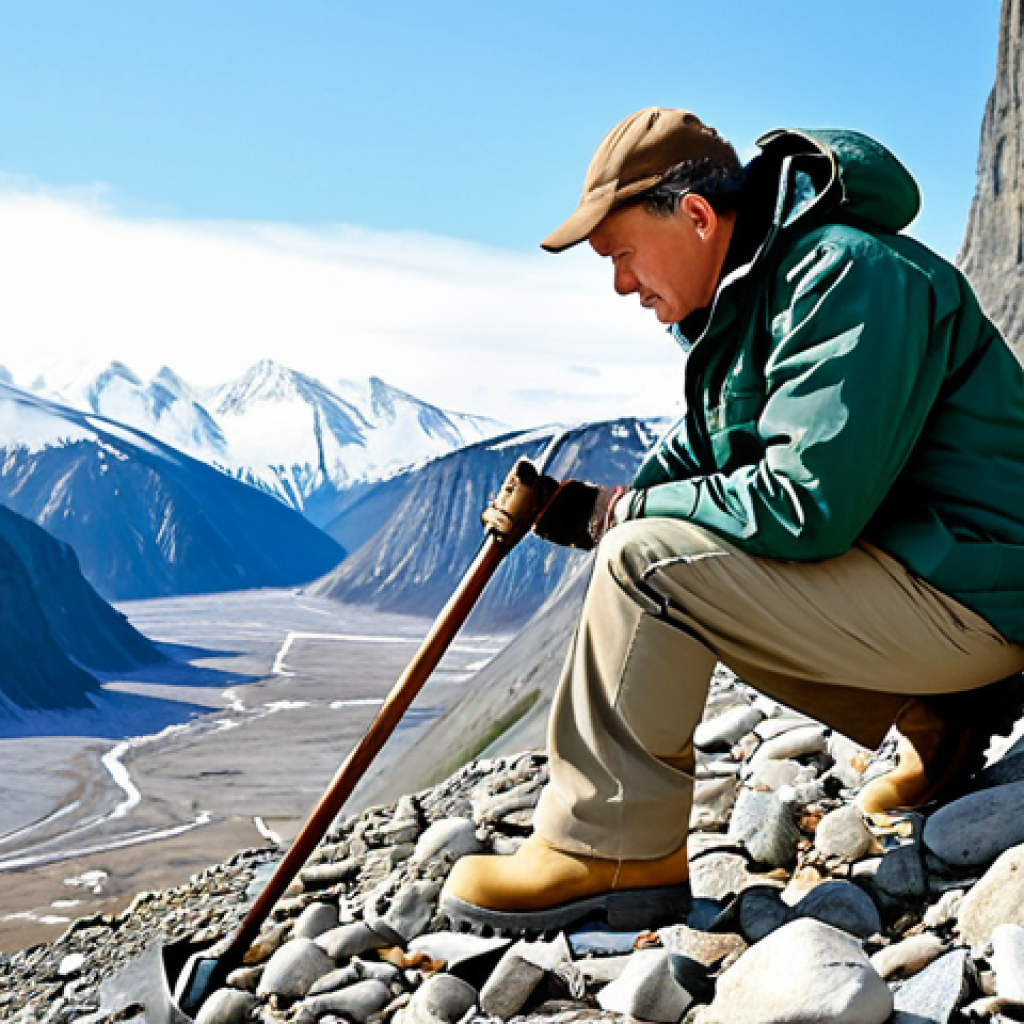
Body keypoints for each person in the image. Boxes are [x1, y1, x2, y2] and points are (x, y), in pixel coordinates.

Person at [439, 108, 1024, 934]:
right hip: (943, 579)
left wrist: (623, 516)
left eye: (621, 254)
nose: (618, 284)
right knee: (658, 545)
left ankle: (608, 850)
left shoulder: (844, 279)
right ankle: (943, 716)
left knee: (648, 566)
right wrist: (581, 506)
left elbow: (803, 505)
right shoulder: (761, 293)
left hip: (981, 596)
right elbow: (704, 452)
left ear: (698, 216)